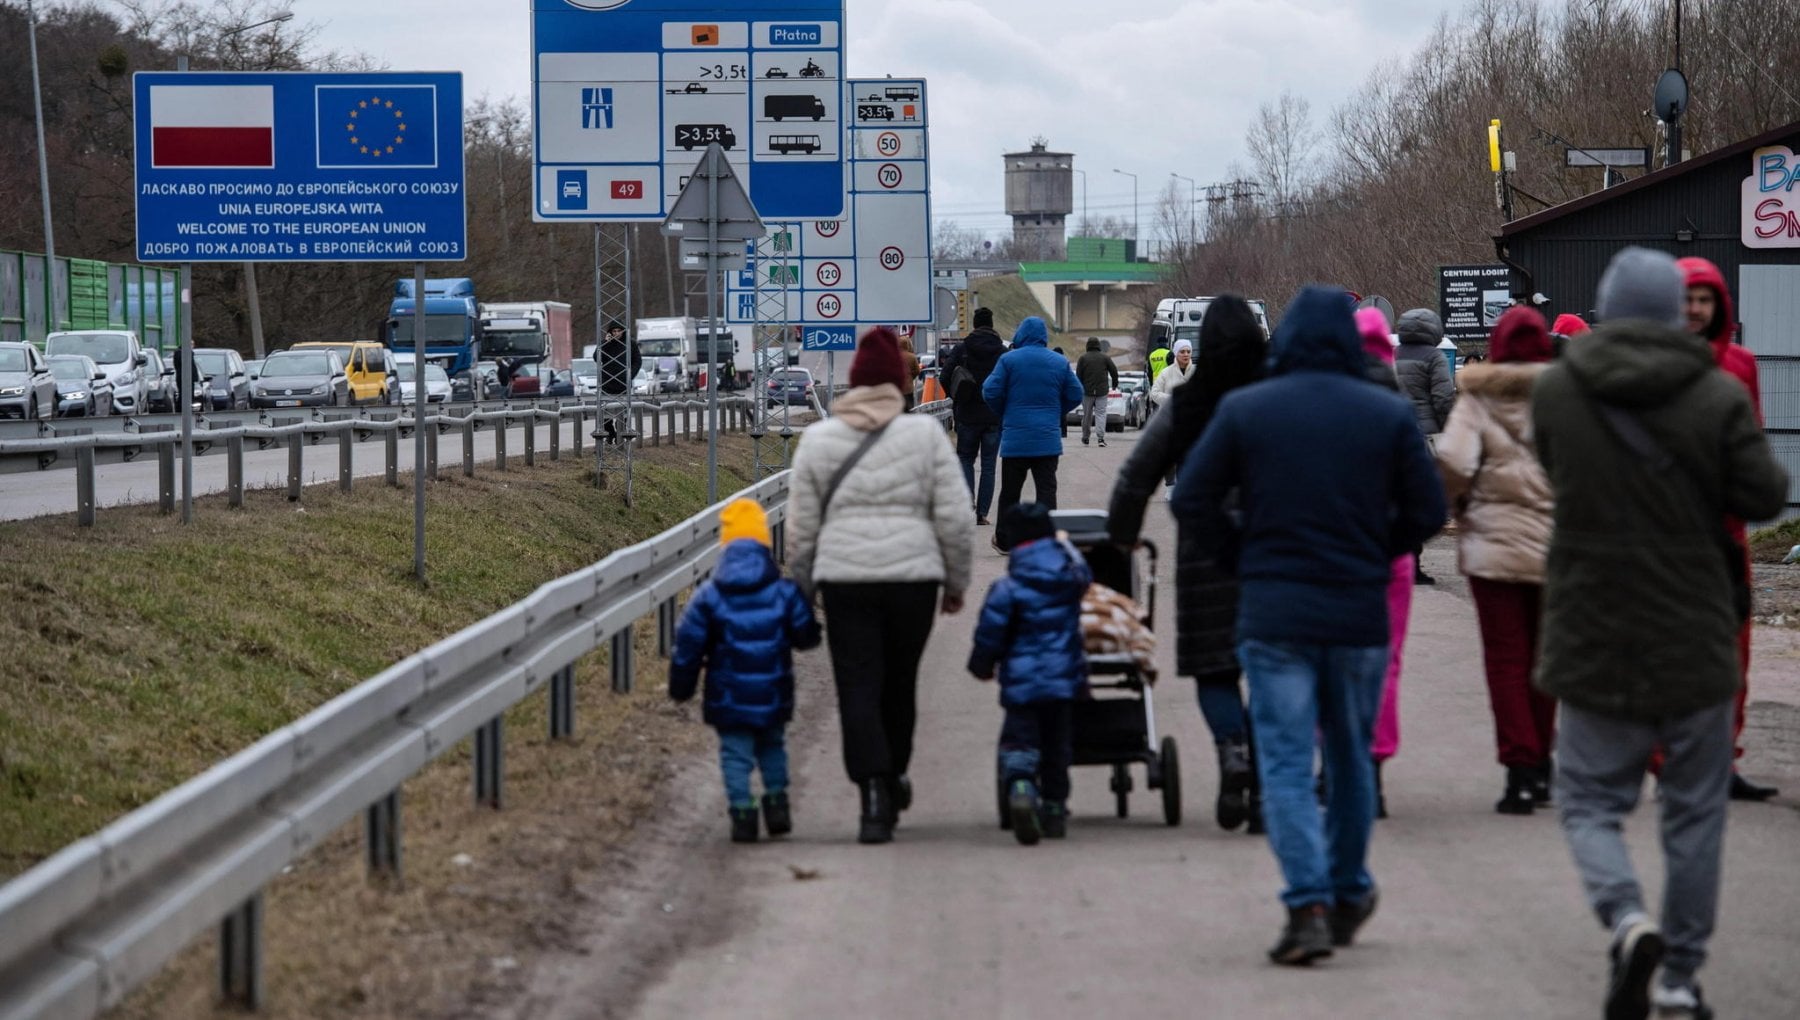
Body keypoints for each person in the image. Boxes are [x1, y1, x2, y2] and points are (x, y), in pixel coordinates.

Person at [1533, 247, 1786, 1020]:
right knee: (1695, 809)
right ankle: (1679, 977)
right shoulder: (1715, 392)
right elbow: (1766, 495)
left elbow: (1555, 473)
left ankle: (1626, 917)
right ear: (1680, 310)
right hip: (1695, 629)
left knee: (1585, 799)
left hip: (1591, 626)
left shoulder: (1557, 393)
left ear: (1608, 308)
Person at [1172, 286, 1445, 966]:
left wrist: (1241, 554)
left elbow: (1192, 498)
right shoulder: (1383, 413)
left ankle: (1308, 904)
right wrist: (1377, 549)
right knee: (1348, 756)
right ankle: (1349, 885)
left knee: (1288, 761)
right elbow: (1429, 509)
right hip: (1357, 610)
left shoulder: (1246, 410)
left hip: (1274, 612)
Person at [788, 327, 974, 844]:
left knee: (857, 683)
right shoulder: (925, 437)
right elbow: (955, 517)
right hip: (913, 582)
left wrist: (800, 588)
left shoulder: (819, 441)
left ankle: (872, 788)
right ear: (899, 381)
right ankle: (893, 774)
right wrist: (956, 580)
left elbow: (802, 526)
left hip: (845, 582)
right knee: (898, 684)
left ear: (853, 383)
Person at [1109, 295, 1268, 834]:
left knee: (1216, 668)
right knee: (1274, 673)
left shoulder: (1189, 401)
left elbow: (1136, 477)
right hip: (1277, 553)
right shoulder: (1279, 395)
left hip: (1207, 554)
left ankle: (1232, 752)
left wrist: (1121, 542)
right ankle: (1268, 787)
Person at [1434, 306, 1557, 816]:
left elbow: (1453, 462)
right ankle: (1545, 766)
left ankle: (1519, 771)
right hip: (1557, 549)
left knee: (1506, 661)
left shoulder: (1478, 399)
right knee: (1545, 661)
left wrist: (1460, 504)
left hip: (1493, 548)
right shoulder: (1567, 401)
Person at [1678, 256, 1778, 803]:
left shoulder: (1741, 364)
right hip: (1668, 532)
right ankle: (1671, 759)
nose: (1694, 309)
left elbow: (1753, 442)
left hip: (1727, 534)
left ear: (1719, 306)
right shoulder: (1658, 363)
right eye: (1686, 299)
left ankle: (1723, 761)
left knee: (1733, 652)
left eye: (1704, 299)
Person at [669, 498, 822, 843]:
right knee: (772, 747)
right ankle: (778, 802)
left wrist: (682, 687)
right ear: (764, 543)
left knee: (735, 754)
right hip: (772, 693)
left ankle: (742, 812)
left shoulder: (709, 597)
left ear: (725, 546)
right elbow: (806, 635)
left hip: (728, 698)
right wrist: (810, 634)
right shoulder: (783, 593)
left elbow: (688, 647)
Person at [968, 502, 1092, 845]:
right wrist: (1064, 545)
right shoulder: (1071, 579)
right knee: (1057, 748)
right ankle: (1054, 809)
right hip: (1064, 681)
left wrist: (981, 665)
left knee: (1020, 740)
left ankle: (1021, 786)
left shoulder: (1007, 590)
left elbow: (989, 633)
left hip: (1022, 686)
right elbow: (1085, 574)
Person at [1355, 307, 1410, 819]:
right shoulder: (1399, 409)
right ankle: (1373, 763)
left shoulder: (1325, 407)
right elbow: (1428, 499)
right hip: (1389, 556)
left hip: (1333, 555)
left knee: (1332, 658)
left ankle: (1337, 763)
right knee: (1385, 661)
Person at [983, 316, 1083, 549]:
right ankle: (1046, 540)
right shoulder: (1059, 362)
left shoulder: (1008, 360)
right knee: (1046, 491)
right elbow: (1076, 393)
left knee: (1010, 492)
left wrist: (1004, 412)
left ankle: (1005, 540)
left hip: (1015, 439)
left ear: (1020, 334)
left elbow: (990, 390)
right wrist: (1056, 411)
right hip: (1047, 439)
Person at [1394, 308, 1456, 585]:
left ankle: (1397, 560)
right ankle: (1414, 564)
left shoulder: (1392, 355)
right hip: (1427, 436)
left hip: (1395, 433)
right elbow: (1443, 398)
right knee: (1420, 499)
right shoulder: (1434, 357)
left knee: (1396, 497)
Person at [940, 307, 1007, 525]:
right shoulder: (1002, 352)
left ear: (975, 324)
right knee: (989, 466)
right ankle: (982, 514)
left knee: (966, 459)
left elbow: (944, 376)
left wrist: (957, 396)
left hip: (967, 414)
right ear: (992, 324)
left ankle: (967, 502)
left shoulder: (963, 348)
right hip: (993, 416)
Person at [597, 321, 641, 445]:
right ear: (610, 332)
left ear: (623, 331)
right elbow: (597, 358)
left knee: (624, 414)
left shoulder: (630, 344)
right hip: (607, 384)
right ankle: (610, 434)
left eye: (619, 331)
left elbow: (637, 360)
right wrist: (605, 343)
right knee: (605, 415)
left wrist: (630, 375)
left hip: (623, 385)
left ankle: (620, 436)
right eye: (614, 331)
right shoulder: (605, 344)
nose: (616, 333)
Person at [1075, 336, 1119, 447]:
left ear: (1087, 346)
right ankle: (1100, 438)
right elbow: (1114, 371)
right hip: (1102, 391)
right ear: (1098, 345)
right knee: (1101, 414)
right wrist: (1114, 384)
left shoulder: (1083, 358)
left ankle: (1085, 437)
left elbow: (1078, 375)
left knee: (1087, 415)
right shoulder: (1105, 358)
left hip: (1087, 391)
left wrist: (1079, 388)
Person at [1148, 338, 1195, 414]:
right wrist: (1174, 398)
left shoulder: (1152, 355)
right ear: (1175, 353)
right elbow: (1154, 393)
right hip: (1169, 415)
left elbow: (1149, 372)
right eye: (1182, 352)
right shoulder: (1168, 356)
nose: (1186, 354)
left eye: (1188, 352)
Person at [897, 334, 922, 411]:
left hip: (897, 388)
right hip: (908, 388)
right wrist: (911, 377)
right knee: (909, 410)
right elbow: (917, 370)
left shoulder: (894, 355)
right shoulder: (912, 356)